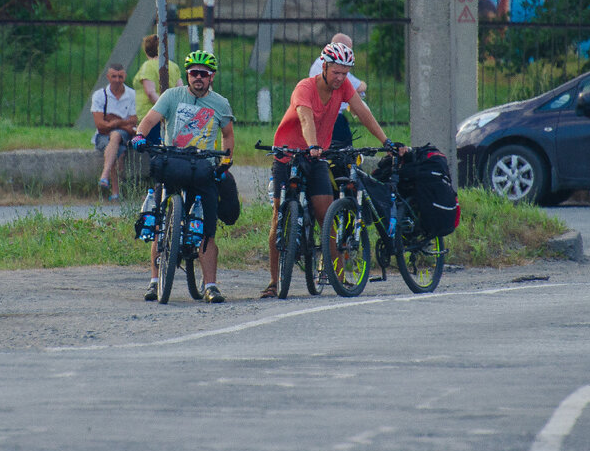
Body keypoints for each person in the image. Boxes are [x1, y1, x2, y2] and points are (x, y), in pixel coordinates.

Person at [261, 41, 402, 298]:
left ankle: (336, 274)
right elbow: (305, 117)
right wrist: (313, 144)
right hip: (288, 154)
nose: (340, 78)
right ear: (324, 67)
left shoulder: (344, 87)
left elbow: (362, 112)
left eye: (345, 74)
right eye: (336, 72)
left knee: (326, 215)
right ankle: (273, 281)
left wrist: (386, 142)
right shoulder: (305, 87)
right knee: (278, 216)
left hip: (316, 158)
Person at [131, 50, 235, 304]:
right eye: (193, 73)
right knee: (159, 223)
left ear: (212, 77)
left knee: (207, 230)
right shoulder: (172, 96)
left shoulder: (220, 104)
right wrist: (139, 136)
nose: (198, 78)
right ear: (187, 76)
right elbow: (150, 119)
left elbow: (228, 135)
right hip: (172, 162)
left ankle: (210, 285)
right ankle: (155, 281)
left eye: (204, 74)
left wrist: (226, 161)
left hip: (203, 167)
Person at [308, 32, 367, 147]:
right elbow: (360, 87)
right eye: (349, 50)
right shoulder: (337, 66)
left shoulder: (320, 62)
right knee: (346, 155)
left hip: (317, 118)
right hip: (333, 118)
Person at [91, 63, 138, 202]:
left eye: (120, 76)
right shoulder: (100, 95)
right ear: (108, 77)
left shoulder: (131, 95)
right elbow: (100, 126)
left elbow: (134, 121)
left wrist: (114, 122)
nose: (117, 80)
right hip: (104, 136)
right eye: (114, 76)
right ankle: (116, 192)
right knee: (120, 151)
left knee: (116, 135)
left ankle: (105, 176)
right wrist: (124, 122)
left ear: (125, 76)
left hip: (122, 133)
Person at [133, 33, 182, 145]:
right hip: (170, 117)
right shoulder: (173, 66)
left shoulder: (148, 66)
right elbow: (180, 89)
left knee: (154, 151)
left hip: (150, 116)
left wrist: (162, 108)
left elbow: (150, 92)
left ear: (146, 50)